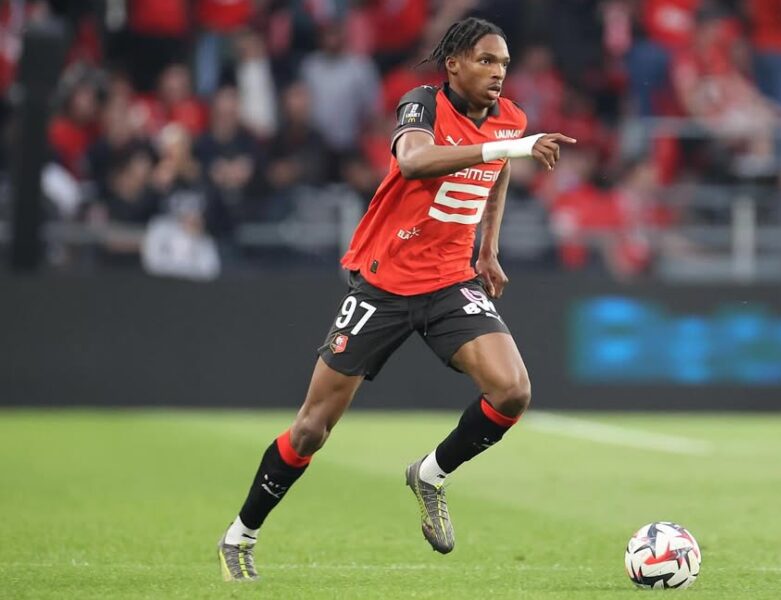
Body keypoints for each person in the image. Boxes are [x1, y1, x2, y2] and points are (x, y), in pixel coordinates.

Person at [217, 17, 575, 581]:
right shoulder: (422, 105)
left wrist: (489, 248)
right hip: (383, 284)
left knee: (512, 391)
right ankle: (240, 535)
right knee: (312, 428)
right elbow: (413, 161)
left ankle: (430, 473)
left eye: (504, 63)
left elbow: (499, 167)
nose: (498, 72)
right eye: (486, 60)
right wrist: (515, 145)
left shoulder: (509, 121)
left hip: (450, 281)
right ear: (453, 64)